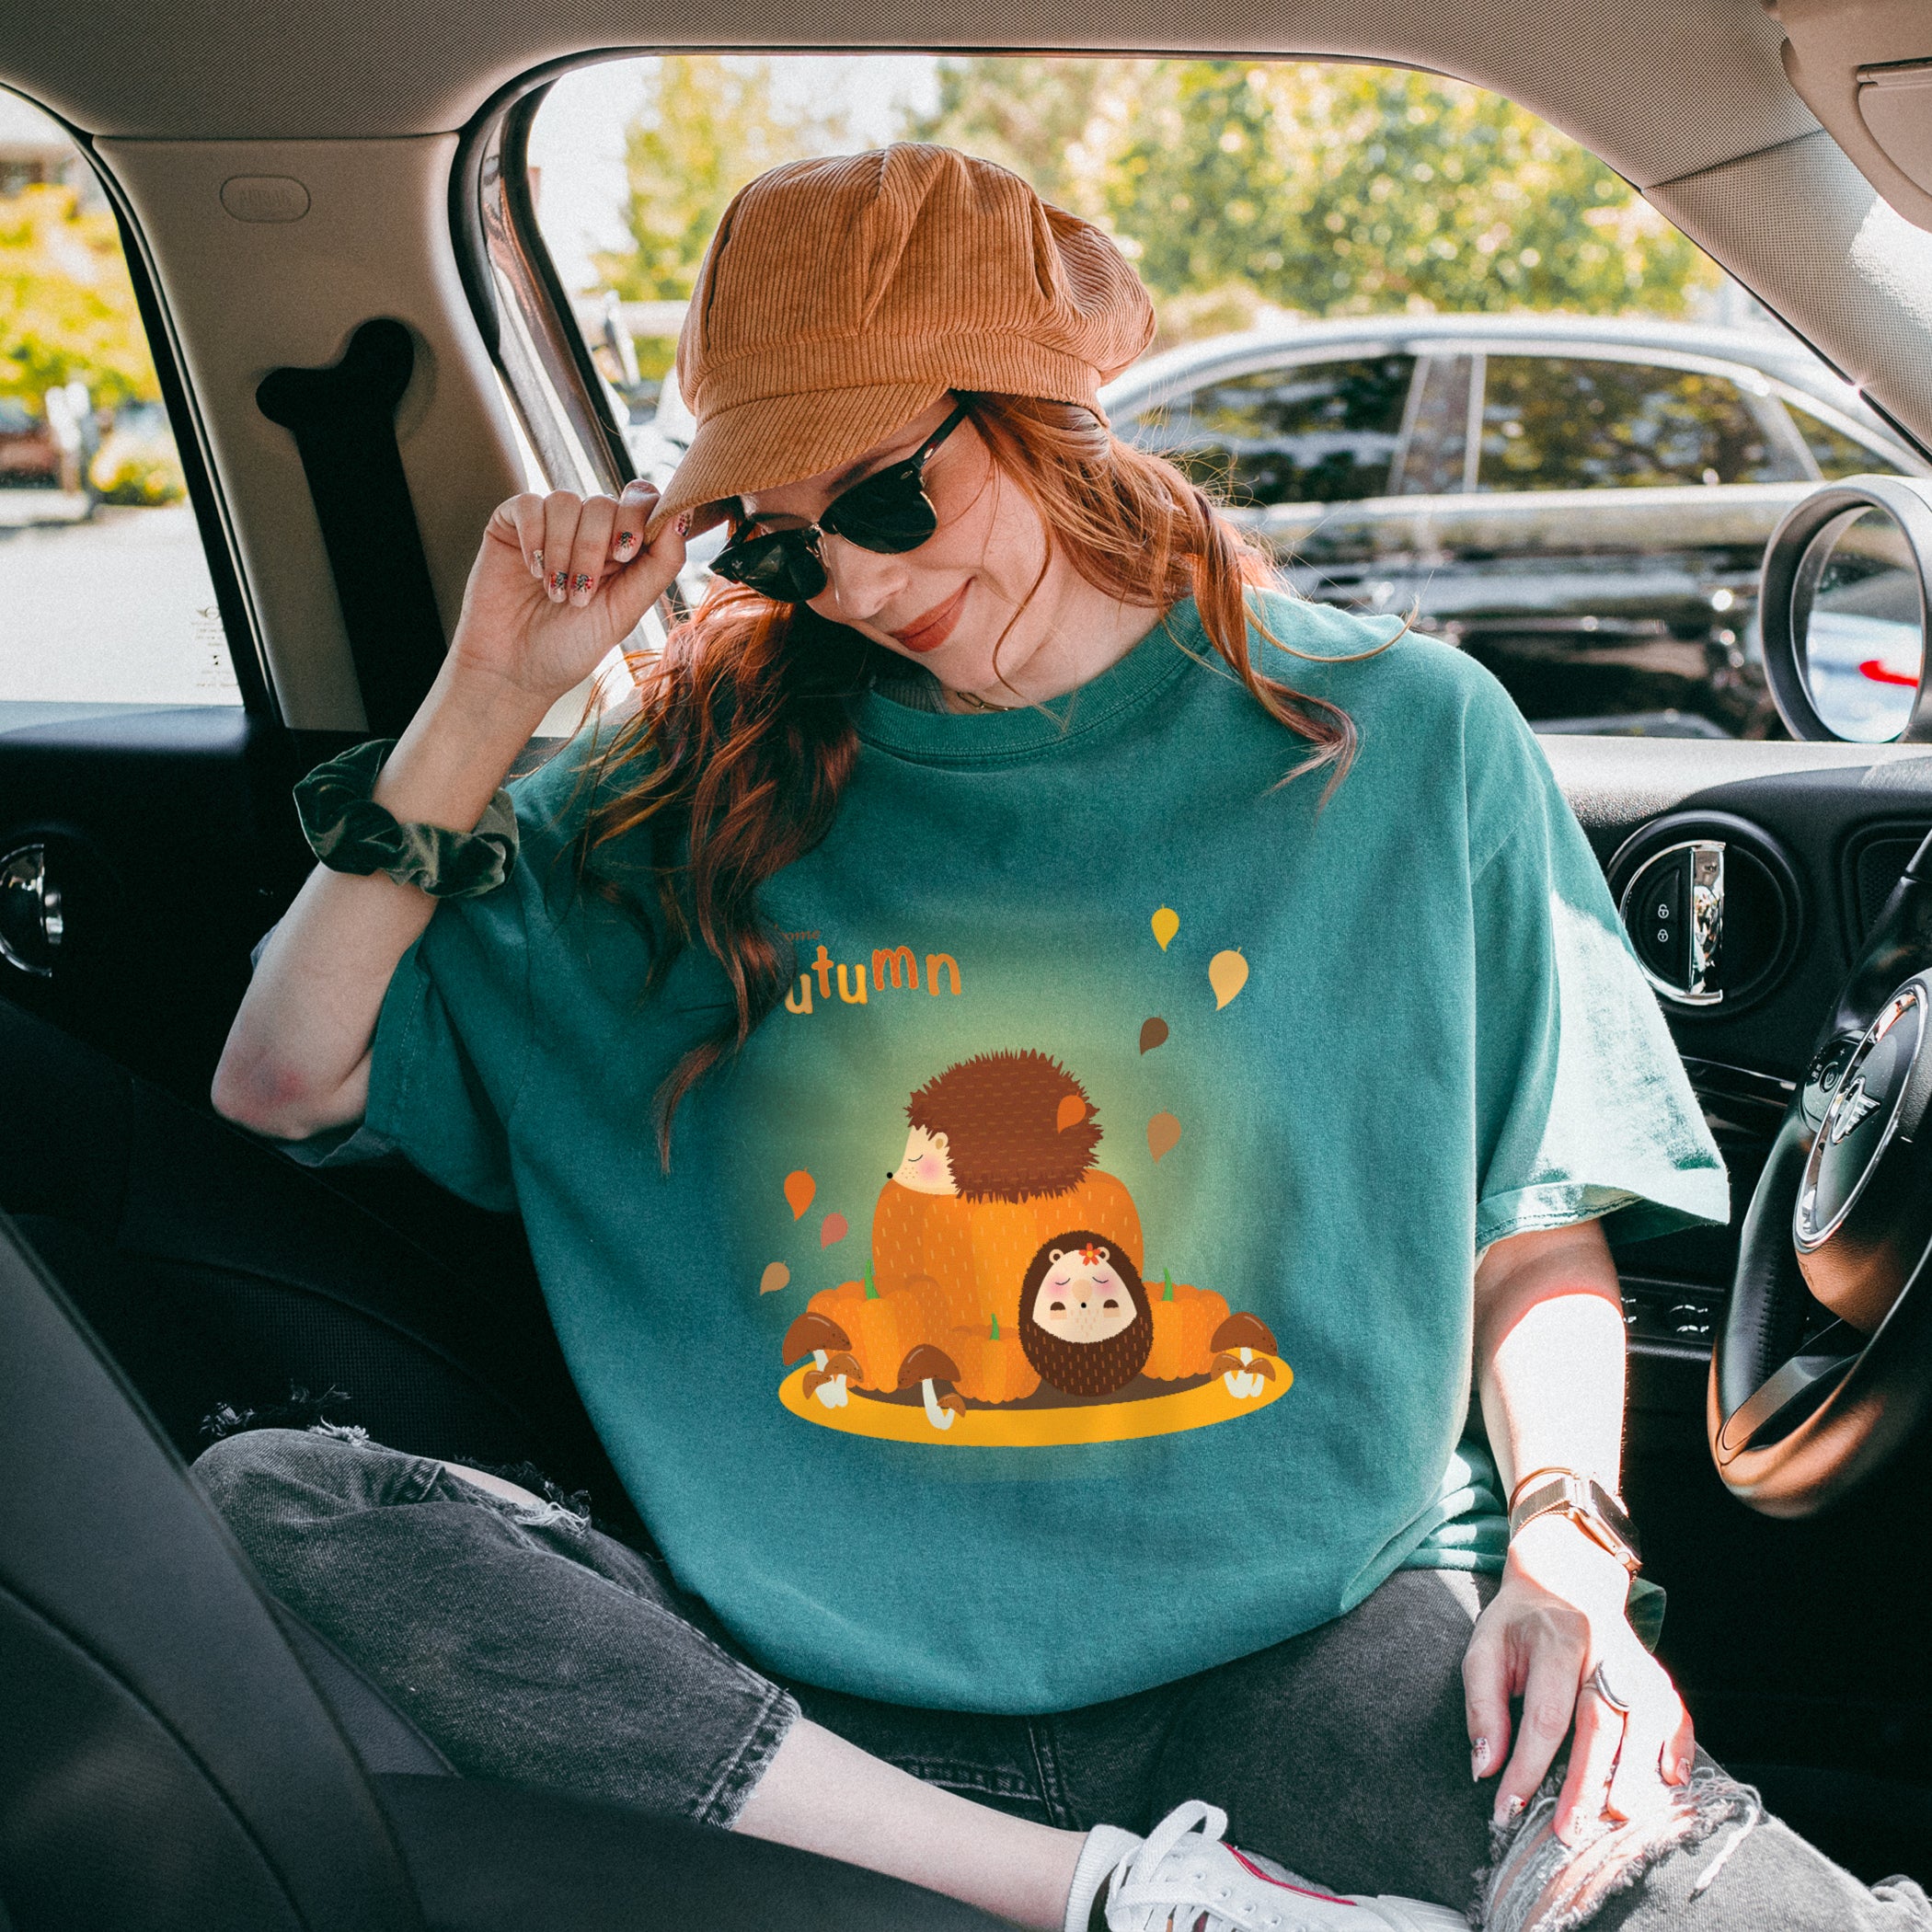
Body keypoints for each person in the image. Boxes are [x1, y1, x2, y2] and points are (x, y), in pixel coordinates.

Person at [201, 144, 1928, 1932]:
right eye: (780, 542)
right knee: (284, 1507)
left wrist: (1571, 1530)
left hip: (1313, 1649)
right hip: (824, 1725)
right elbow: (279, 1077)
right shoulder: (685, 795)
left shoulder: (1407, 744)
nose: (854, 587)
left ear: (1046, 413)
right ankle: (1125, 1903)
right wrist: (489, 694)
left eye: (884, 499)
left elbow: (1531, 1221)